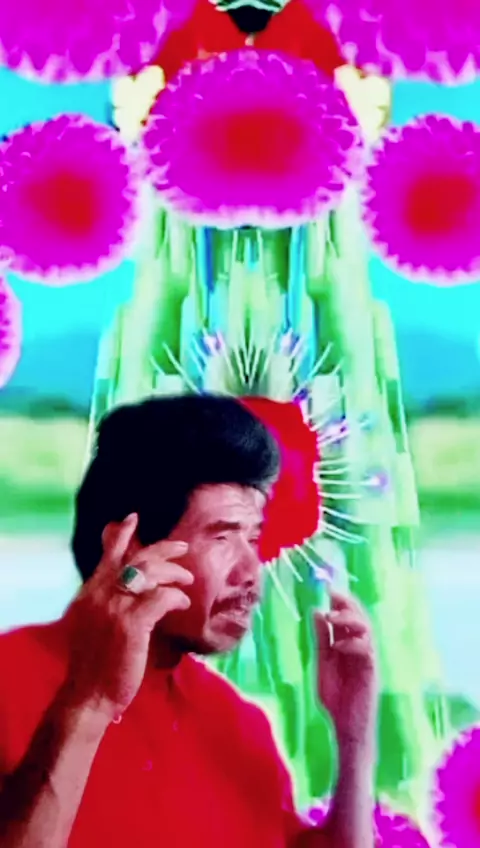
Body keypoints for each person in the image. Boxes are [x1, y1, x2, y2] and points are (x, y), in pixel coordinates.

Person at [0, 394, 378, 847]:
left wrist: (355, 736)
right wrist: (91, 703)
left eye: (253, 539)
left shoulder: (236, 724)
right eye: (222, 537)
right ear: (130, 545)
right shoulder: (9, 681)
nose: (250, 571)